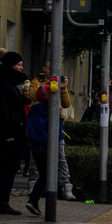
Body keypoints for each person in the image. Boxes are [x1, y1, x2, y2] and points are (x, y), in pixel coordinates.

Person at [28, 60, 75, 200]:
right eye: (49, 68)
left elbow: (66, 103)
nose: (52, 71)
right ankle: (33, 186)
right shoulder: (37, 81)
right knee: (35, 158)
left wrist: (64, 88)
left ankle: (66, 186)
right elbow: (35, 95)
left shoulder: (59, 84)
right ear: (44, 68)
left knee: (60, 156)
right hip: (40, 122)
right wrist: (52, 85)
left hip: (55, 121)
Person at [0, 51, 29, 215]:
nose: (21, 67)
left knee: (11, 167)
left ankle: (3, 201)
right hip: (8, 132)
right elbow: (3, 109)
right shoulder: (3, 82)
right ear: (11, 65)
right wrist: (8, 134)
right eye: (19, 64)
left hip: (14, 130)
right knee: (8, 167)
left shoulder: (10, 82)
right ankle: (2, 202)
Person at [25, 84, 64, 216]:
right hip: (48, 147)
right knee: (48, 174)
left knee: (43, 173)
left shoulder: (34, 109)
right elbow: (57, 131)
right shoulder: (52, 111)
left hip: (35, 147)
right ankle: (35, 200)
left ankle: (34, 200)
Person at [19, 80, 32, 177]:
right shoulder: (19, 102)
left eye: (28, 91)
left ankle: (26, 168)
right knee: (20, 148)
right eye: (25, 91)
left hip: (30, 128)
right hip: (21, 127)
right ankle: (18, 166)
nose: (27, 93)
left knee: (28, 151)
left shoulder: (32, 102)